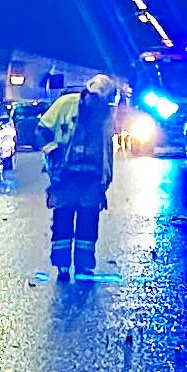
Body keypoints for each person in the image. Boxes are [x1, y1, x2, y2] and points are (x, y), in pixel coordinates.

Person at [43, 75, 119, 279]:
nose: (95, 103)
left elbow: (107, 148)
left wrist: (106, 178)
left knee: (88, 221)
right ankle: (62, 265)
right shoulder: (66, 104)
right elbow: (42, 129)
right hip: (65, 175)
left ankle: (83, 265)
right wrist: (52, 150)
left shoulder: (104, 115)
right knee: (62, 219)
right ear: (87, 94)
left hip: (92, 178)